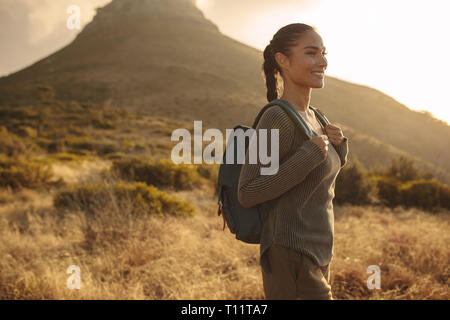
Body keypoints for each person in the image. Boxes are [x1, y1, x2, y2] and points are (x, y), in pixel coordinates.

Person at [237, 23, 349, 300]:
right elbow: (248, 192)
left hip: (320, 249)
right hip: (289, 251)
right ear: (283, 61)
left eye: (323, 53)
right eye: (311, 53)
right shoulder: (275, 118)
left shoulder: (317, 117)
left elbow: (317, 181)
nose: (322, 61)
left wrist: (339, 149)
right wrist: (307, 156)